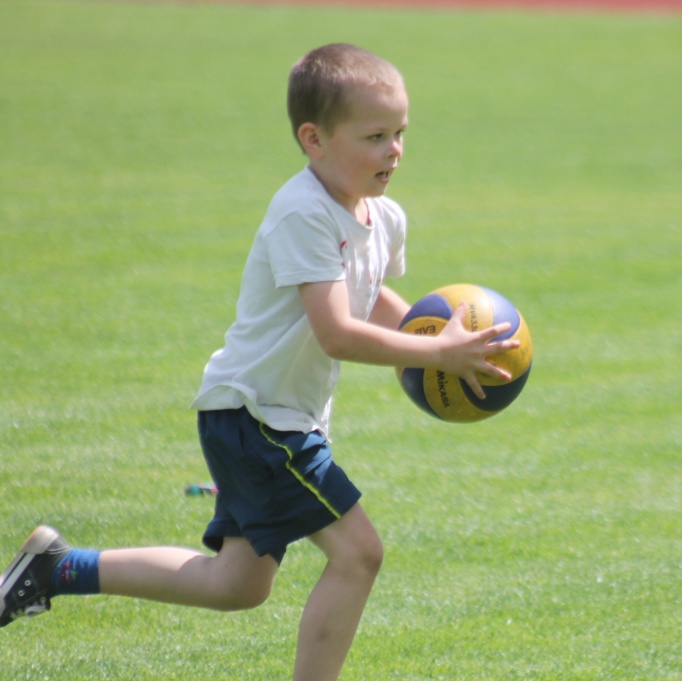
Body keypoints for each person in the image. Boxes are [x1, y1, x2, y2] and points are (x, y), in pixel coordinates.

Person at [0, 43, 518, 681]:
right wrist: (437, 351)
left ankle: (60, 568)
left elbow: (368, 296)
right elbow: (337, 334)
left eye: (401, 134)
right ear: (314, 139)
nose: (394, 150)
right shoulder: (302, 212)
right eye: (375, 136)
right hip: (259, 418)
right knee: (359, 554)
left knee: (238, 584)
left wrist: (433, 345)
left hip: (266, 416)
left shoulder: (383, 217)